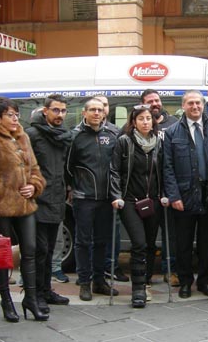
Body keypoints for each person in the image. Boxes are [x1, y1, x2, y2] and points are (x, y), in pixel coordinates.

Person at [0, 96, 48, 322]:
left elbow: (34, 168)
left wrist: (34, 186)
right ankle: (6, 301)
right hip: (1, 208)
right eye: (10, 115)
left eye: (16, 115)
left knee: (31, 249)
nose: (15, 119)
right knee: (2, 255)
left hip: (25, 206)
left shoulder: (22, 136)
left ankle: (31, 299)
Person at [163, 90, 208, 299]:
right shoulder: (172, 133)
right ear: (184, 106)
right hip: (184, 195)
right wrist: (174, 196)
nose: (195, 107)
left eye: (198, 103)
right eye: (190, 103)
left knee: (207, 243)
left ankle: (205, 282)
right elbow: (167, 167)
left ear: (203, 104)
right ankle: (185, 282)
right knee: (183, 243)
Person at [110, 105, 166, 308]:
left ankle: (147, 281)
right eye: (141, 119)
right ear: (133, 122)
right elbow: (114, 170)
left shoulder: (160, 142)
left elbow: (165, 170)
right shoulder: (124, 142)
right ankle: (138, 290)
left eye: (148, 118)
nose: (145, 122)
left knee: (150, 245)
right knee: (139, 244)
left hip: (153, 201)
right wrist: (116, 195)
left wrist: (165, 195)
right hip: (130, 201)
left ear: (153, 121)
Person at [65, 97, 119, 301]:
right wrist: (73, 187)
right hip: (84, 198)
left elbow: (116, 166)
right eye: (92, 110)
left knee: (102, 242)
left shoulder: (112, 134)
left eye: (100, 110)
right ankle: (84, 283)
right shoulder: (75, 137)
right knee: (83, 242)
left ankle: (99, 281)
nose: (97, 113)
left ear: (105, 113)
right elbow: (68, 167)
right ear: (84, 114)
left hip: (106, 198)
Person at [26, 94, 73, 313]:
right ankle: (34, 295)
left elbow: (64, 167)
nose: (60, 115)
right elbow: (24, 167)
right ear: (45, 111)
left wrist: (68, 188)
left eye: (63, 111)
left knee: (50, 249)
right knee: (39, 250)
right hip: (37, 201)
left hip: (57, 199)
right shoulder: (33, 134)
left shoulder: (63, 135)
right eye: (56, 110)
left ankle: (46, 290)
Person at [141, 89, 180, 287]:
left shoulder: (173, 123)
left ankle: (170, 270)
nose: (155, 104)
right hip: (147, 192)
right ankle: (146, 273)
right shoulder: (136, 125)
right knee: (148, 234)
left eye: (157, 100)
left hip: (170, 189)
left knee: (170, 234)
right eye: (150, 101)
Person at [96, 94, 130, 284]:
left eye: (105, 105)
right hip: (89, 191)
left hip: (112, 190)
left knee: (113, 232)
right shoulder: (78, 131)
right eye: (98, 105)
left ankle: (112, 266)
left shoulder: (115, 131)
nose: (101, 109)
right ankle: (93, 270)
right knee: (92, 234)